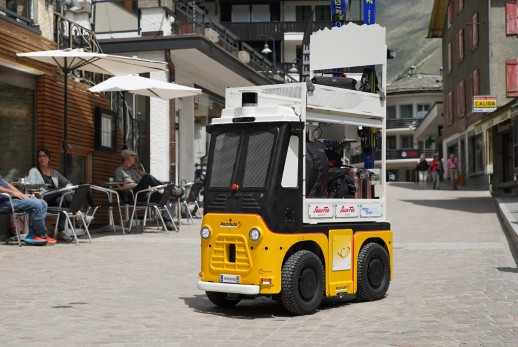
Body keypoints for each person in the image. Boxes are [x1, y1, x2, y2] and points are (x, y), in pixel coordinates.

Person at [114, 149, 175, 230]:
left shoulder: (133, 171)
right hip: (131, 196)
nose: (135, 158)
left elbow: (143, 181)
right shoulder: (119, 171)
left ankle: (167, 221)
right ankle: (169, 189)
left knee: (164, 195)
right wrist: (138, 185)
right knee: (147, 177)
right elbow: (120, 186)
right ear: (128, 158)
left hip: (143, 194)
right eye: (133, 156)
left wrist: (146, 184)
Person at [28, 148, 74, 242]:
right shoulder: (34, 171)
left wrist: (69, 186)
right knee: (63, 192)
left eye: (44, 156)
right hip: (43, 196)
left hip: (55, 198)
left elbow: (66, 182)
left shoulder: (54, 172)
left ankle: (60, 231)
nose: (42, 158)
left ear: (49, 158)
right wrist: (35, 191)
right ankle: (76, 211)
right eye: (40, 156)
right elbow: (30, 184)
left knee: (62, 199)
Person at [0, 175, 57, 245]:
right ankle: (42, 235)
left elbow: (6, 183)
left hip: (9, 198)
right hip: (3, 201)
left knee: (43, 203)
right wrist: (13, 192)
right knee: (36, 204)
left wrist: (21, 194)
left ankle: (33, 235)